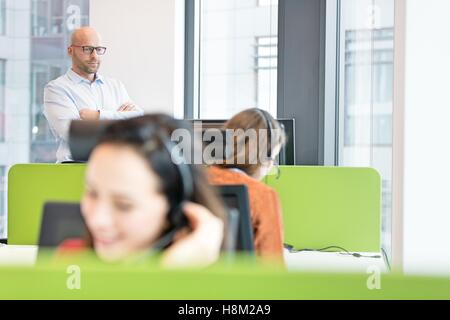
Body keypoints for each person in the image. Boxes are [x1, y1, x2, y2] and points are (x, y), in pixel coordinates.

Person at [61, 114, 226, 268]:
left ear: (175, 209)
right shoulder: (71, 262)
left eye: (123, 205)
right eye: (92, 193)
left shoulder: (218, 287)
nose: (98, 220)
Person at [43, 27, 144, 162]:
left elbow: (140, 122)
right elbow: (75, 134)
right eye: (87, 49)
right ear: (70, 51)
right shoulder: (57, 89)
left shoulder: (115, 86)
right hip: (74, 168)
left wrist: (97, 116)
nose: (94, 56)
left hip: (114, 166)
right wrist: (121, 122)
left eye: (98, 49)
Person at [207, 108, 286, 260]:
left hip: (189, 281)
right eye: (273, 159)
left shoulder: (194, 181)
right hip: (242, 283)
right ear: (264, 158)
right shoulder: (263, 196)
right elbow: (272, 270)